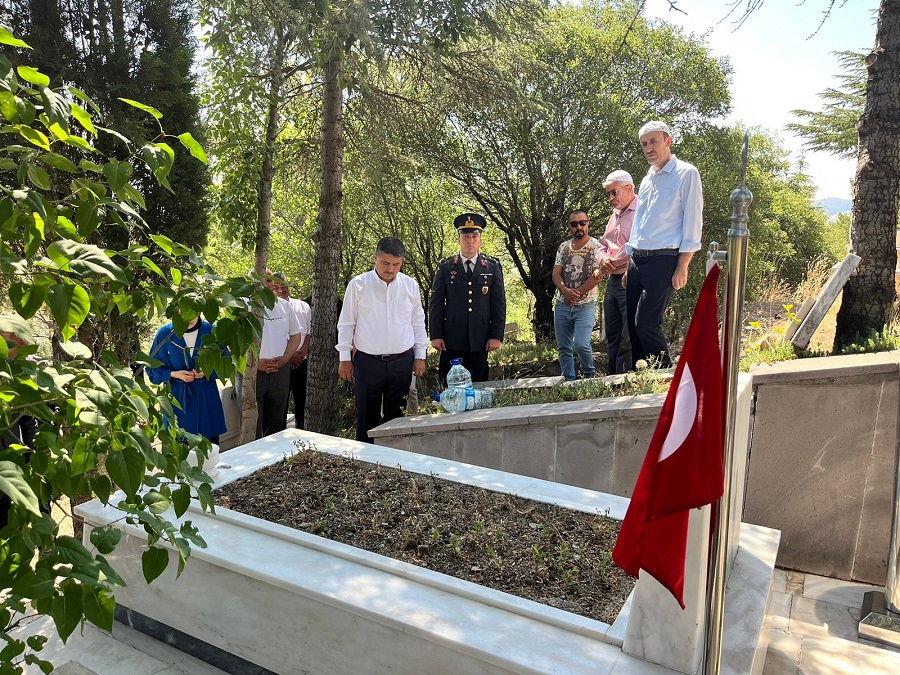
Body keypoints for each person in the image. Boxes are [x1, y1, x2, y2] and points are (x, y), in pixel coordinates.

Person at [625, 120, 703, 368]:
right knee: (632, 325)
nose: (649, 148)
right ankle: (641, 378)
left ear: (668, 141)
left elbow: (693, 221)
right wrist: (630, 262)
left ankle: (664, 376)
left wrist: (683, 265)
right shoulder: (647, 178)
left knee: (646, 322)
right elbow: (640, 222)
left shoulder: (686, 173)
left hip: (664, 259)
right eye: (644, 144)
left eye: (654, 141)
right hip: (638, 259)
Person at [336, 237, 427, 443]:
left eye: (396, 264)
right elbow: (346, 323)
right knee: (367, 416)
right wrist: (344, 357)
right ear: (374, 258)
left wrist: (420, 355)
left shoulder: (410, 286)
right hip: (368, 362)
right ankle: (366, 461)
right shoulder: (358, 285)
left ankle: (393, 461)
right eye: (385, 263)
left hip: (402, 360)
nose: (391, 269)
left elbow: (418, 322)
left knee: (397, 417)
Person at [429, 213, 506, 385]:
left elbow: (499, 304)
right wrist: (435, 334)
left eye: (474, 236)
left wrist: (496, 335)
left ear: (480, 240)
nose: (470, 240)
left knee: (480, 386)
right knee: (450, 386)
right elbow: (436, 303)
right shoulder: (446, 267)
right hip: (452, 338)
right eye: (465, 236)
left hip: (481, 337)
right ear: (458, 239)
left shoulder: (492, 266)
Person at [147, 314, 228, 444]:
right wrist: (174, 374)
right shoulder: (165, 334)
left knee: (209, 455)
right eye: (184, 312)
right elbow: (151, 369)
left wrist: (208, 372)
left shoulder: (212, 331)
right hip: (177, 401)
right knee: (179, 456)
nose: (189, 317)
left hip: (207, 401)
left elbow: (226, 365)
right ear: (176, 310)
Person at [552, 209, 604, 381]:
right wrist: (565, 291)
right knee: (564, 347)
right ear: (570, 227)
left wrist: (576, 293)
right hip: (562, 304)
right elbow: (556, 273)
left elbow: (598, 276)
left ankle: (589, 376)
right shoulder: (563, 247)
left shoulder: (597, 246)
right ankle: (568, 380)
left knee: (581, 344)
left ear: (588, 223)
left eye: (582, 223)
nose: (579, 227)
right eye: (574, 224)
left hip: (586, 304)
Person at [597, 170, 636, 374]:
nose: (611, 198)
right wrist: (603, 260)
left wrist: (624, 263)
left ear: (629, 188)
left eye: (614, 193)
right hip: (612, 279)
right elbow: (602, 245)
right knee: (611, 334)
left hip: (631, 277)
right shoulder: (614, 215)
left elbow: (643, 246)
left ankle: (624, 383)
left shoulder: (643, 212)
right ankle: (611, 379)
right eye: (608, 194)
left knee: (627, 336)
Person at [255, 271, 302, 438]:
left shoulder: (284, 306)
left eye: (269, 280)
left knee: (275, 421)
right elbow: (233, 343)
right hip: (253, 373)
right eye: (262, 281)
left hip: (280, 371)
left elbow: (296, 335)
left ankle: (273, 460)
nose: (268, 284)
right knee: (253, 422)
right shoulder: (243, 306)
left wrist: (285, 358)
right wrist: (255, 364)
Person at [272, 274, 311, 429]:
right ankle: (279, 433)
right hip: (281, 362)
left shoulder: (302, 306)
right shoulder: (270, 309)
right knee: (280, 403)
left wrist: (301, 354)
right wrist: (289, 356)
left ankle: (301, 432)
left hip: (302, 360)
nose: (281, 290)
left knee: (302, 401)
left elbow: (308, 332)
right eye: (276, 287)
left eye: (284, 286)